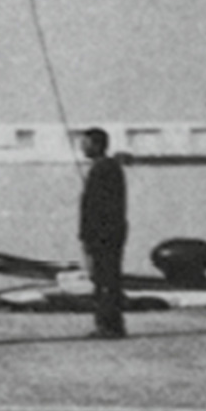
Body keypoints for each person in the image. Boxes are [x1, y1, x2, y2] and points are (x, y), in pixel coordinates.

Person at [78, 126, 127, 339]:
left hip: (104, 235)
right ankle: (109, 323)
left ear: (96, 145)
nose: (82, 147)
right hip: (110, 233)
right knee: (106, 279)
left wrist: (88, 236)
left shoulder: (102, 169)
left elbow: (96, 208)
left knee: (105, 280)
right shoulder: (108, 167)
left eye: (85, 143)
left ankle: (109, 325)